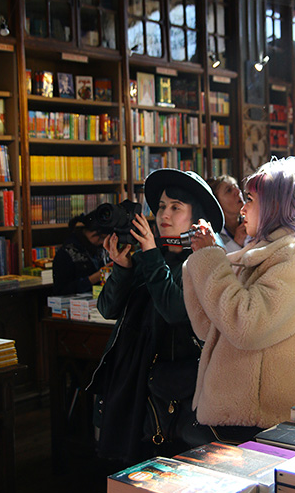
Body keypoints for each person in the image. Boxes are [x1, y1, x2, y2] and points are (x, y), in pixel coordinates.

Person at [183, 157, 295, 435]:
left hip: (266, 421)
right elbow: (208, 329)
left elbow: (245, 327)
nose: (243, 208)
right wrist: (199, 260)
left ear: (274, 206)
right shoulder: (253, 256)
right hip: (234, 417)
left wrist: (208, 258)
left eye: (250, 199)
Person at [88, 169, 224, 465]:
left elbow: (174, 310)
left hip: (170, 392)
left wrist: (149, 254)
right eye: (161, 206)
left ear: (195, 218)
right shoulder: (151, 255)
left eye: (176, 208)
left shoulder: (203, 260)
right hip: (134, 380)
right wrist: (122, 267)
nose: (165, 214)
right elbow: (107, 309)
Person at [51, 212, 108, 295]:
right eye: (101, 238)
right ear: (92, 233)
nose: (102, 242)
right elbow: (61, 290)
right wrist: (94, 278)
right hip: (74, 303)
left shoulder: (97, 248)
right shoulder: (66, 253)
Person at [208, 175, 248, 252]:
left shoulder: (255, 220)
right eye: (229, 190)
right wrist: (236, 245)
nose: (237, 191)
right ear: (217, 203)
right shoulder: (212, 236)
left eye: (236, 186)